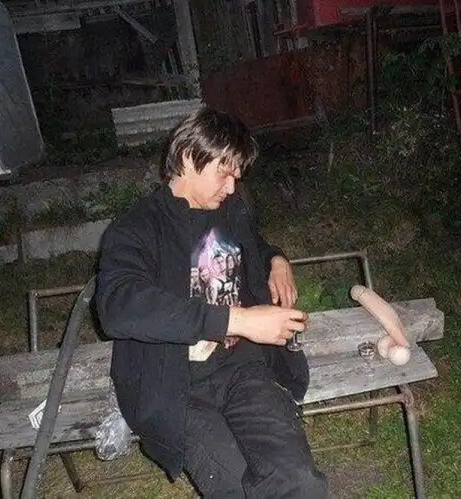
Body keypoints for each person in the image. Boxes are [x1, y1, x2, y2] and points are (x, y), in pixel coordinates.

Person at [96, 106, 328, 498]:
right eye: (225, 173)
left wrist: (276, 259)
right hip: (177, 386)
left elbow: (252, 245)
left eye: (237, 176)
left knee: (299, 481)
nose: (233, 187)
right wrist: (237, 320)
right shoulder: (136, 228)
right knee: (237, 488)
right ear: (189, 158)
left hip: (243, 369)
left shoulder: (230, 209)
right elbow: (119, 306)